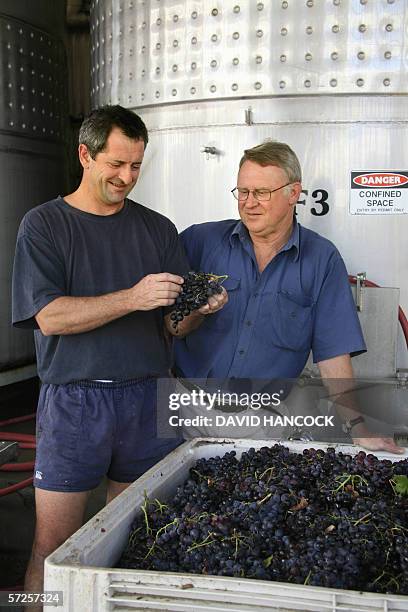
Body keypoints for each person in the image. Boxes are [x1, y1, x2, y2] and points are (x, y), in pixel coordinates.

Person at [11, 105, 227, 603]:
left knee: (140, 538)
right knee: (55, 546)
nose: (127, 177)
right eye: (117, 164)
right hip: (75, 403)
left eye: (136, 165)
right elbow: (49, 317)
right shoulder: (44, 225)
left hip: (148, 398)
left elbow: (174, 323)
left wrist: (202, 309)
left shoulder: (157, 229)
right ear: (85, 155)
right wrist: (133, 296)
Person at [172, 140, 404, 454]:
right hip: (184, 410)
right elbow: (168, 327)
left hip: (260, 424)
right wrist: (197, 312)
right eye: (243, 192)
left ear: (293, 193)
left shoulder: (322, 260)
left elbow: (333, 356)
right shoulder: (199, 241)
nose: (248, 203)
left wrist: (357, 429)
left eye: (261, 193)